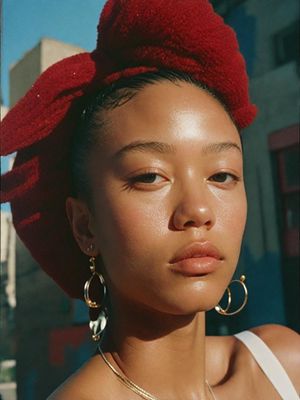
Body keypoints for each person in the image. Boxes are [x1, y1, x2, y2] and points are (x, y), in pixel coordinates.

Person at [1, 1, 299, 399]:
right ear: (85, 226)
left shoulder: (283, 363)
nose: (198, 210)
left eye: (222, 175)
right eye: (150, 176)